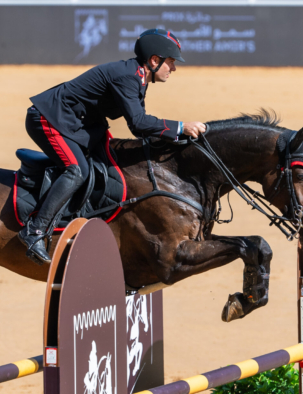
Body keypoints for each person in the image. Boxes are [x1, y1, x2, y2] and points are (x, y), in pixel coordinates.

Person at [18, 28, 207, 264]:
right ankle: (35, 230)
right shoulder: (128, 76)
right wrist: (180, 127)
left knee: (109, 160)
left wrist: (177, 139)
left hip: (78, 123)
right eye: (171, 62)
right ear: (154, 60)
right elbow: (139, 122)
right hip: (48, 118)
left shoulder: (138, 76)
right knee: (77, 170)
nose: (174, 68)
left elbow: (139, 128)